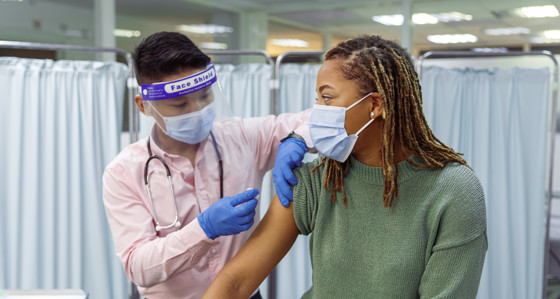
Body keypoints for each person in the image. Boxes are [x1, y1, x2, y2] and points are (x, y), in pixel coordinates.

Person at [203, 35, 488, 298]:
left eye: (326, 98)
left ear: (374, 105)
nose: (316, 112)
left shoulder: (453, 192)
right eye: (317, 99)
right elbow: (236, 281)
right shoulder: (320, 178)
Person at [102, 31, 311, 299]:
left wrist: (298, 137)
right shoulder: (124, 172)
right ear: (144, 106)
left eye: (204, 96)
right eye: (180, 104)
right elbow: (138, 266)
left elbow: (327, 118)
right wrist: (204, 229)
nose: (198, 110)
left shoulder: (242, 138)